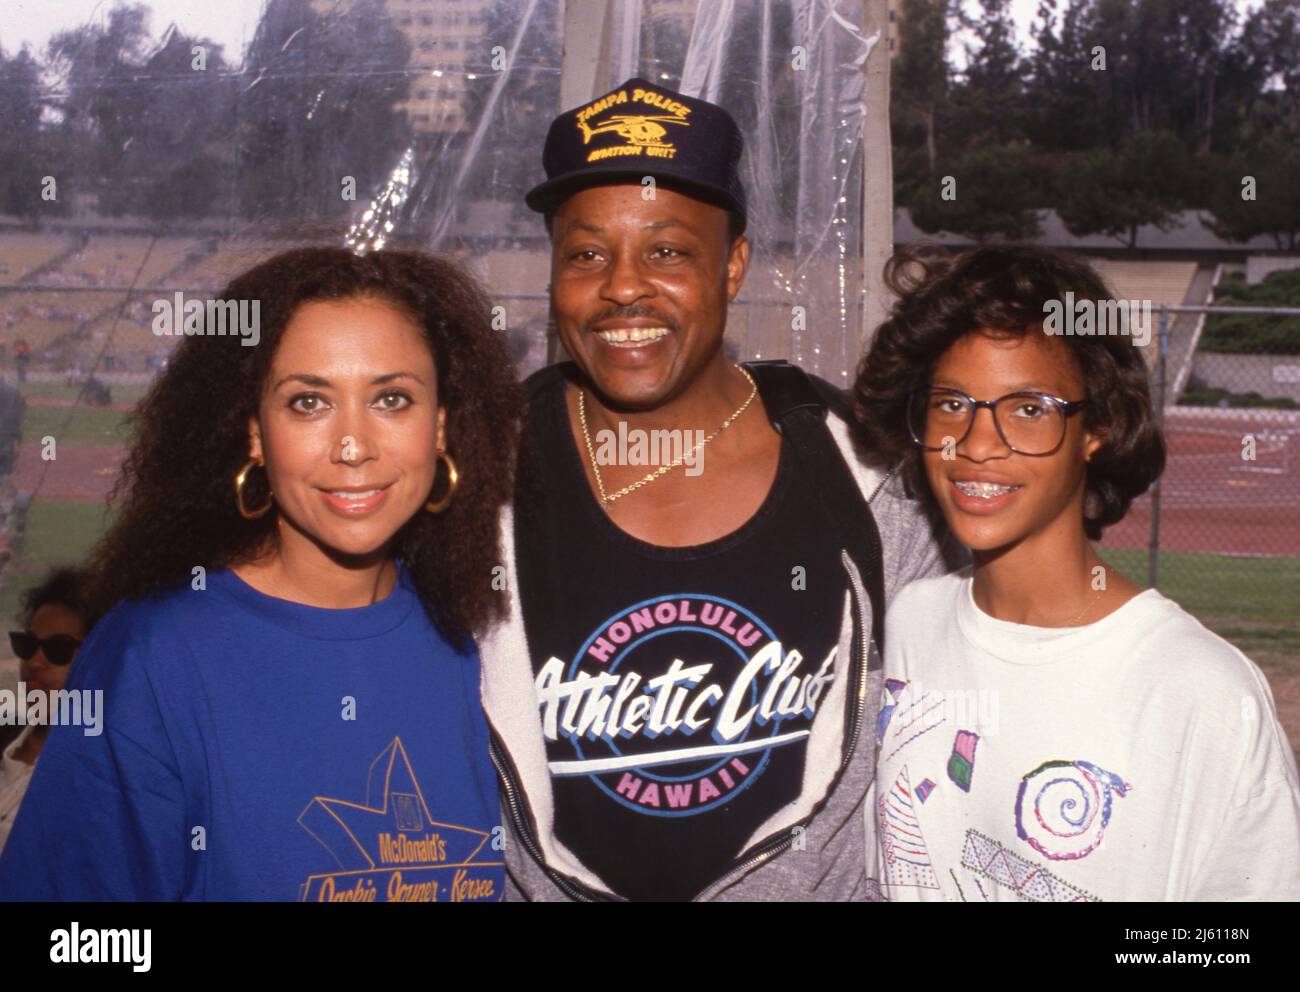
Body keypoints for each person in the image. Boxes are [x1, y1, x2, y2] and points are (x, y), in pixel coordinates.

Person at [478, 77, 959, 901]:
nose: (624, 286)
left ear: (732, 263)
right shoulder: (472, 478)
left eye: (667, 251)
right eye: (587, 253)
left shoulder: (871, 481)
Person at [0, 247, 520, 901]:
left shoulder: (480, 638)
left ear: (441, 425)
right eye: (308, 403)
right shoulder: (154, 657)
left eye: (392, 399)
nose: (353, 446)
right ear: (253, 433)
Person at [852, 244, 1300, 901]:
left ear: (1098, 427)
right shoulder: (907, 625)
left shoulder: (1202, 692)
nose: (976, 445)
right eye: (951, 404)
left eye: (1029, 409)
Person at [0, 568, 97, 856]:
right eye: (27, 645)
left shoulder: (99, 773)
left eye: (58, 649)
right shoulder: (6, 735)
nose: (35, 661)